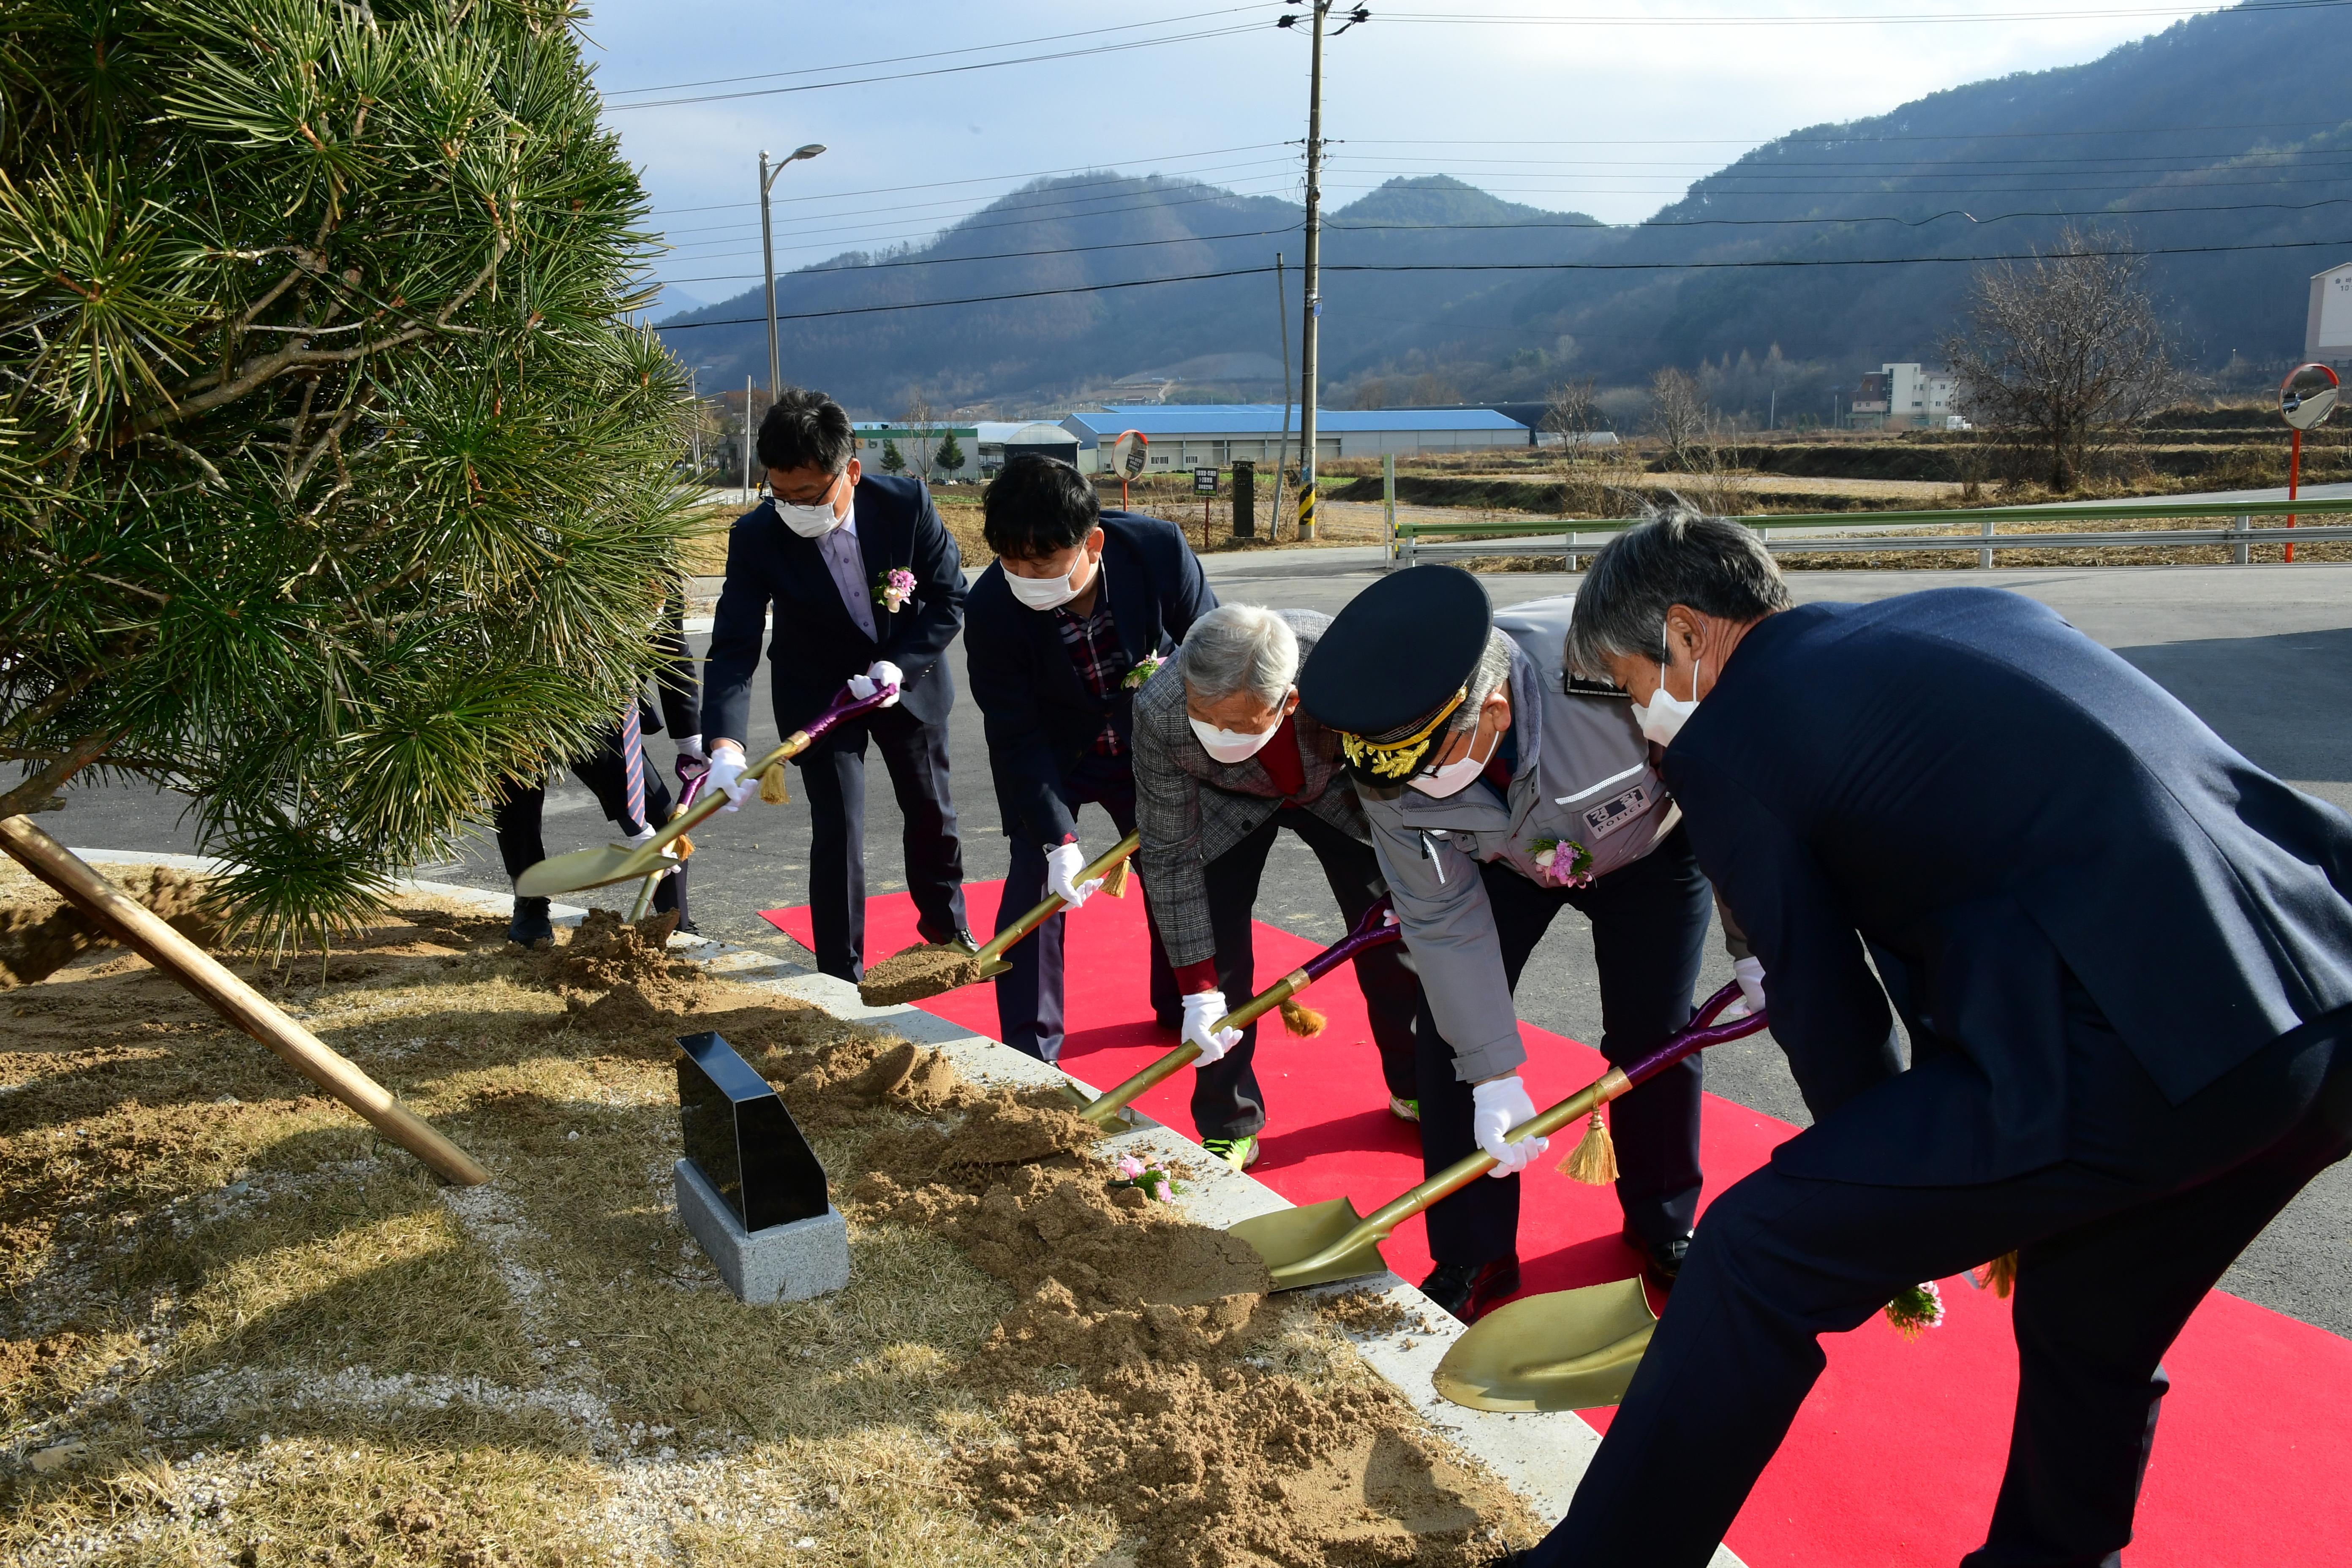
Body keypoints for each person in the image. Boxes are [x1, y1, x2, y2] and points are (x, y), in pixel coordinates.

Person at [1523, 512, 2352, 1568]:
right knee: (2090, 1319)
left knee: (1757, 1246)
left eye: (1628, 684)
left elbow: (1827, 1011)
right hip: (2312, 1014)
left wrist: (1887, 1202)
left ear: (1686, 636)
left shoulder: (1735, 737)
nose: (1639, 721)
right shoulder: (1974, 612)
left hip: (2139, 1056)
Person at [1297, 566, 1720, 1321]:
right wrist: (1493, 1073)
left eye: (1427, 767)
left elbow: (1728, 791)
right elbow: (1436, 914)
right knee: (1452, 1037)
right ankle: (1472, 1249)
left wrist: (1755, 940)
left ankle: (1664, 1220)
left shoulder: (1613, 672)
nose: (1413, 788)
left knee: (1655, 1031)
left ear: (1492, 709)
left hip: (1652, 851)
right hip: (1500, 864)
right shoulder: (1385, 737)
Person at [1130, 603, 1425, 1170]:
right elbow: (1168, 855)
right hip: (1223, 802)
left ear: (1288, 702)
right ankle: (1228, 1120)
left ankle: (1416, 1083)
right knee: (1219, 964)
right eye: (1205, 716)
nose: (1218, 732)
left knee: (1393, 938)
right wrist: (1195, 988)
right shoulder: (1160, 709)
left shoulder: (1344, 669)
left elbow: (1406, 776)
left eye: (1238, 723)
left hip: (1339, 790)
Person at [702, 387, 972, 982]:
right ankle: (839, 974)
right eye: (781, 494)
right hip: (818, 690)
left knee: (933, 811)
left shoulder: (905, 506)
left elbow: (950, 599)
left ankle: (948, 934)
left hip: (906, 682)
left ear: (850, 471)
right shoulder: (756, 537)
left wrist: (899, 662)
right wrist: (725, 745)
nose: (795, 507)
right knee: (839, 828)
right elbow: (734, 643)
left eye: (809, 495)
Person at [963, 455, 1211, 1076]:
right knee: (1033, 889)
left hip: (1149, 742)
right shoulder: (993, 605)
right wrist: (1058, 839)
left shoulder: (1155, 551)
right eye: (1009, 561)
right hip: (1054, 755)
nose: (1024, 576)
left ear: (1091, 542)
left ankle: (1181, 1001)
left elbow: (1215, 650)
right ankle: (1029, 1051)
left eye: (1041, 562)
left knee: (1173, 871)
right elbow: (1014, 733)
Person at [500, 596, 703, 944]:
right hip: (527, 699)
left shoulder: (661, 567)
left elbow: (673, 651)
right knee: (518, 803)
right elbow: (597, 746)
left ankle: (675, 921)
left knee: (664, 815)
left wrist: (690, 741)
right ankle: (531, 903)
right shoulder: (575, 592)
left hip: (609, 703)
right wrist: (634, 824)